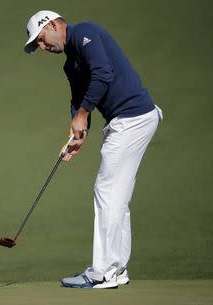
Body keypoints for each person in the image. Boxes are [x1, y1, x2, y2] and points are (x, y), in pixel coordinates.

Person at [23, 10, 162, 289]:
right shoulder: (69, 65)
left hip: (132, 118)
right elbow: (79, 99)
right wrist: (79, 132)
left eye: (40, 39)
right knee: (116, 195)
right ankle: (117, 269)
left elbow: (103, 74)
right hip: (128, 120)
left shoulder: (86, 33)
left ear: (52, 25)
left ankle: (103, 271)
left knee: (106, 191)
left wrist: (83, 113)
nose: (42, 47)